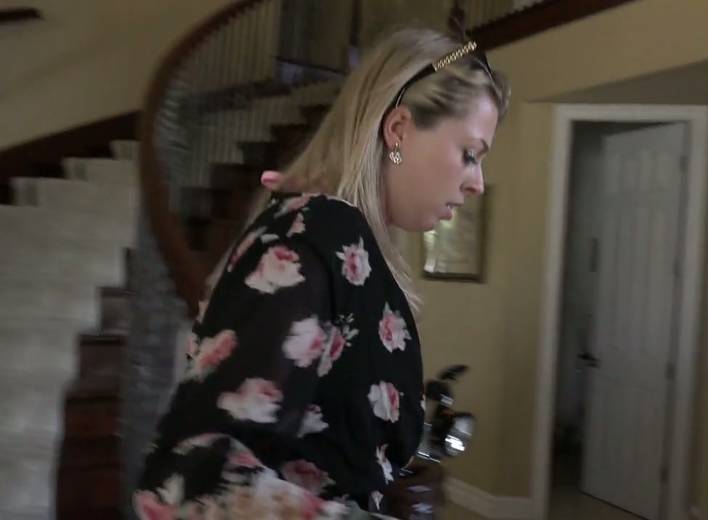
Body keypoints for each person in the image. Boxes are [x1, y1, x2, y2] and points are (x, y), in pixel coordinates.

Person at [132, 27, 510, 519]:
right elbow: (193, 479)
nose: (477, 182)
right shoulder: (314, 236)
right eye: (470, 154)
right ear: (398, 129)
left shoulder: (349, 247)